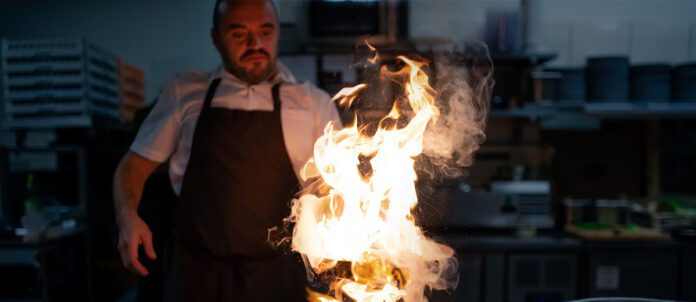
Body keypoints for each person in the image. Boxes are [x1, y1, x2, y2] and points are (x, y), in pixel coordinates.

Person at [112, 0, 341, 301]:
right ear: (216, 38)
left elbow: (336, 190)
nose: (255, 43)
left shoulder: (314, 103)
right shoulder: (185, 92)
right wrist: (127, 216)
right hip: (196, 275)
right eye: (239, 34)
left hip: (277, 278)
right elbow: (132, 167)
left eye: (265, 31)